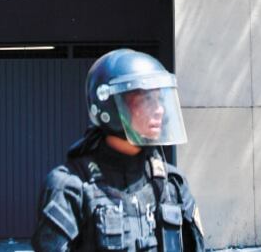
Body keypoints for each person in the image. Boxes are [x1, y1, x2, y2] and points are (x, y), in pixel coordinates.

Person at [32, 48, 205, 252]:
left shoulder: (172, 185)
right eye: (146, 99)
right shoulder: (71, 187)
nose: (159, 109)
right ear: (111, 107)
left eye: (159, 99)